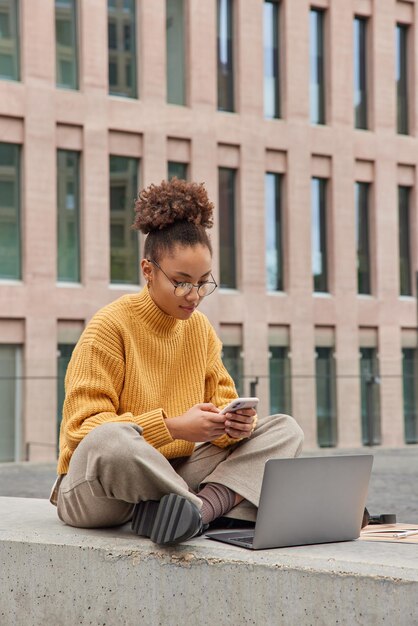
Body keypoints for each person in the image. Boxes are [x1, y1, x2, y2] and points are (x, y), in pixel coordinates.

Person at [50, 177, 304, 546]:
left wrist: (233, 425)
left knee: (284, 430)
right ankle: (209, 508)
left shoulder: (199, 331)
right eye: (182, 282)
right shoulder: (109, 326)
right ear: (148, 270)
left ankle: (189, 513)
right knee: (112, 440)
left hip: (169, 478)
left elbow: (221, 404)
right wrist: (172, 428)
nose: (195, 295)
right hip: (97, 490)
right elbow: (83, 432)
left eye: (203, 282)